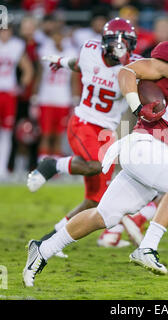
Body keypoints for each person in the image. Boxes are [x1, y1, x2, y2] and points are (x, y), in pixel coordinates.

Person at [23, 12, 168, 286]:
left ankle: (42, 249)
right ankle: (147, 247)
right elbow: (129, 71)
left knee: (104, 215)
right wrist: (137, 106)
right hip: (143, 143)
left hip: (162, 153)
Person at [26, 18, 138, 253]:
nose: (122, 49)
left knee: (96, 201)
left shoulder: (133, 67)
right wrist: (62, 62)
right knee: (96, 164)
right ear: (105, 43)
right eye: (118, 43)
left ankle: (49, 241)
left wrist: (62, 62)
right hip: (84, 122)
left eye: (126, 44)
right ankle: (52, 164)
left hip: (106, 133)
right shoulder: (90, 51)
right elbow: (79, 64)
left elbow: (78, 65)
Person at [33, 26, 79, 161]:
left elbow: (73, 78)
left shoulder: (71, 52)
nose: (58, 38)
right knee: (45, 134)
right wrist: (34, 97)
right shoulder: (45, 50)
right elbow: (39, 74)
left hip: (63, 99)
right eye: (55, 35)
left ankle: (55, 167)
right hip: (46, 98)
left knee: (59, 134)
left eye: (60, 35)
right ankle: (42, 163)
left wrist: (75, 99)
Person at [0, 23, 33, 180]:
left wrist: (20, 86)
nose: (5, 33)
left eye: (7, 30)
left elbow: (28, 69)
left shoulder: (16, 46)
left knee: (7, 132)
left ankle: (2, 168)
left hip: (8, 94)